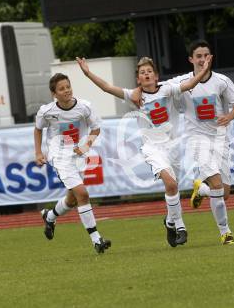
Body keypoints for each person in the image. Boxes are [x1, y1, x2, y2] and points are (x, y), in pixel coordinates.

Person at [76, 54, 211, 247]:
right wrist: (88, 73)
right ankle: (180, 226)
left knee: (173, 188)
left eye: (149, 71)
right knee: (171, 184)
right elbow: (107, 87)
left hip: (173, 147)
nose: (146, 74)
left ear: (156, 76)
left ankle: (170, 221)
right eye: (142, 73)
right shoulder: (135, 96)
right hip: (152, 148)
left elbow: (189, 85)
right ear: (138, 79)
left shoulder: (167, 89)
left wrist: (203, 70)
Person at [171, 40, 234, 245]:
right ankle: (226, 232)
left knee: (224, 193)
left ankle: (199, 188)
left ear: (211, 57)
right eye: (199, 56)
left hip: (221, 139)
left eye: (206, 55)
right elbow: (163, 90)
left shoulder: (222, 81)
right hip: (197, 140)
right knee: (218, 185)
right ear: (191, 59)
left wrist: (229, 116)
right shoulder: (184, 82)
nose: (203, 59)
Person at [35, 73, 111, 254]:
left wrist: (86, 145)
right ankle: (96, 240)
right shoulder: (47, 111)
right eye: (61, 89)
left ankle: (50, 216)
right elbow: (38, 129)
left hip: (78, 156)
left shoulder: (85, 107)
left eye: (68, 86)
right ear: (54, 94)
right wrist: (38, 152)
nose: (66, 90)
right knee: (82, 194)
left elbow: (96, 128)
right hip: (59, 157)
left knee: (72, 199)